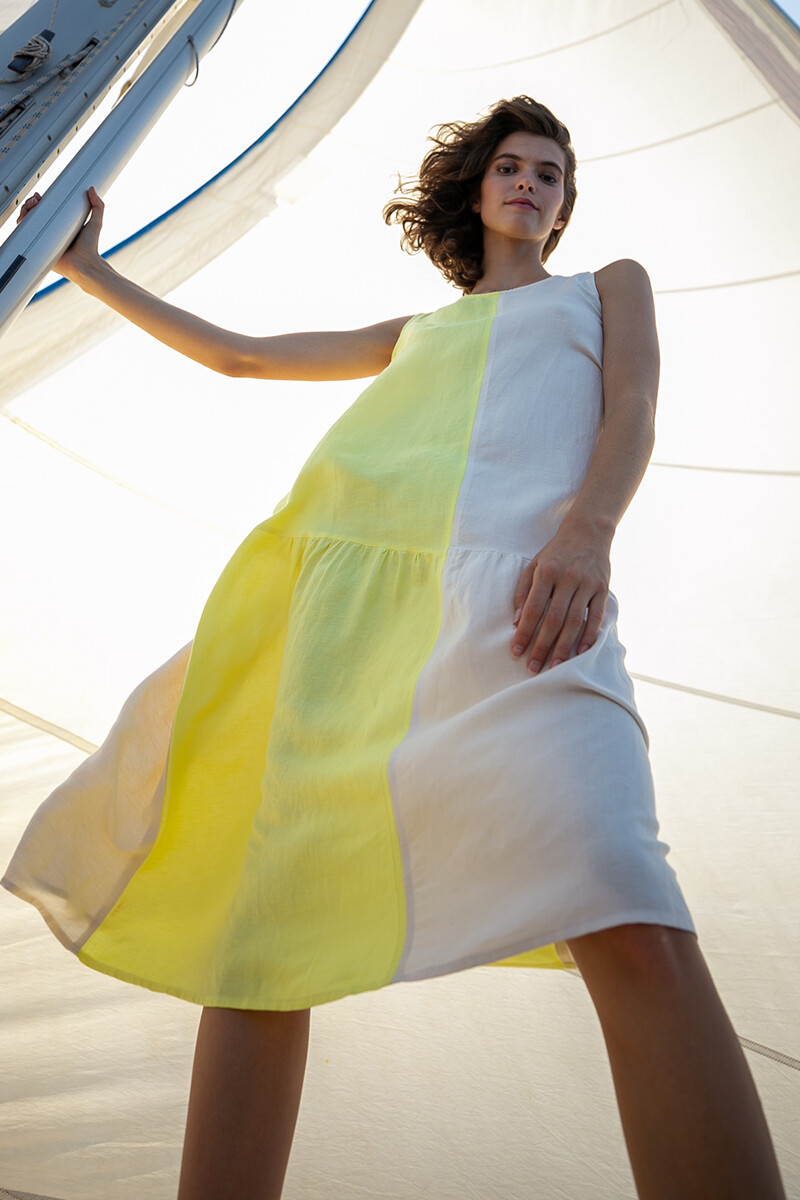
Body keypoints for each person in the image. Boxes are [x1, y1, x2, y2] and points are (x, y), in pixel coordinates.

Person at [5, 96, 785, 1200]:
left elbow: (633, 411)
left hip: (533, 606)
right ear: (476, 190)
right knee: (265, 948)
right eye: (510, 166)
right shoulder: (417, 332)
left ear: (564, 207)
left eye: (549, 173)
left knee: (625, 899)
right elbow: (239, 359)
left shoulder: (606, 287)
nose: (528, 182)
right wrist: (87, 270)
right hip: (344, 618)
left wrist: (587, 534)